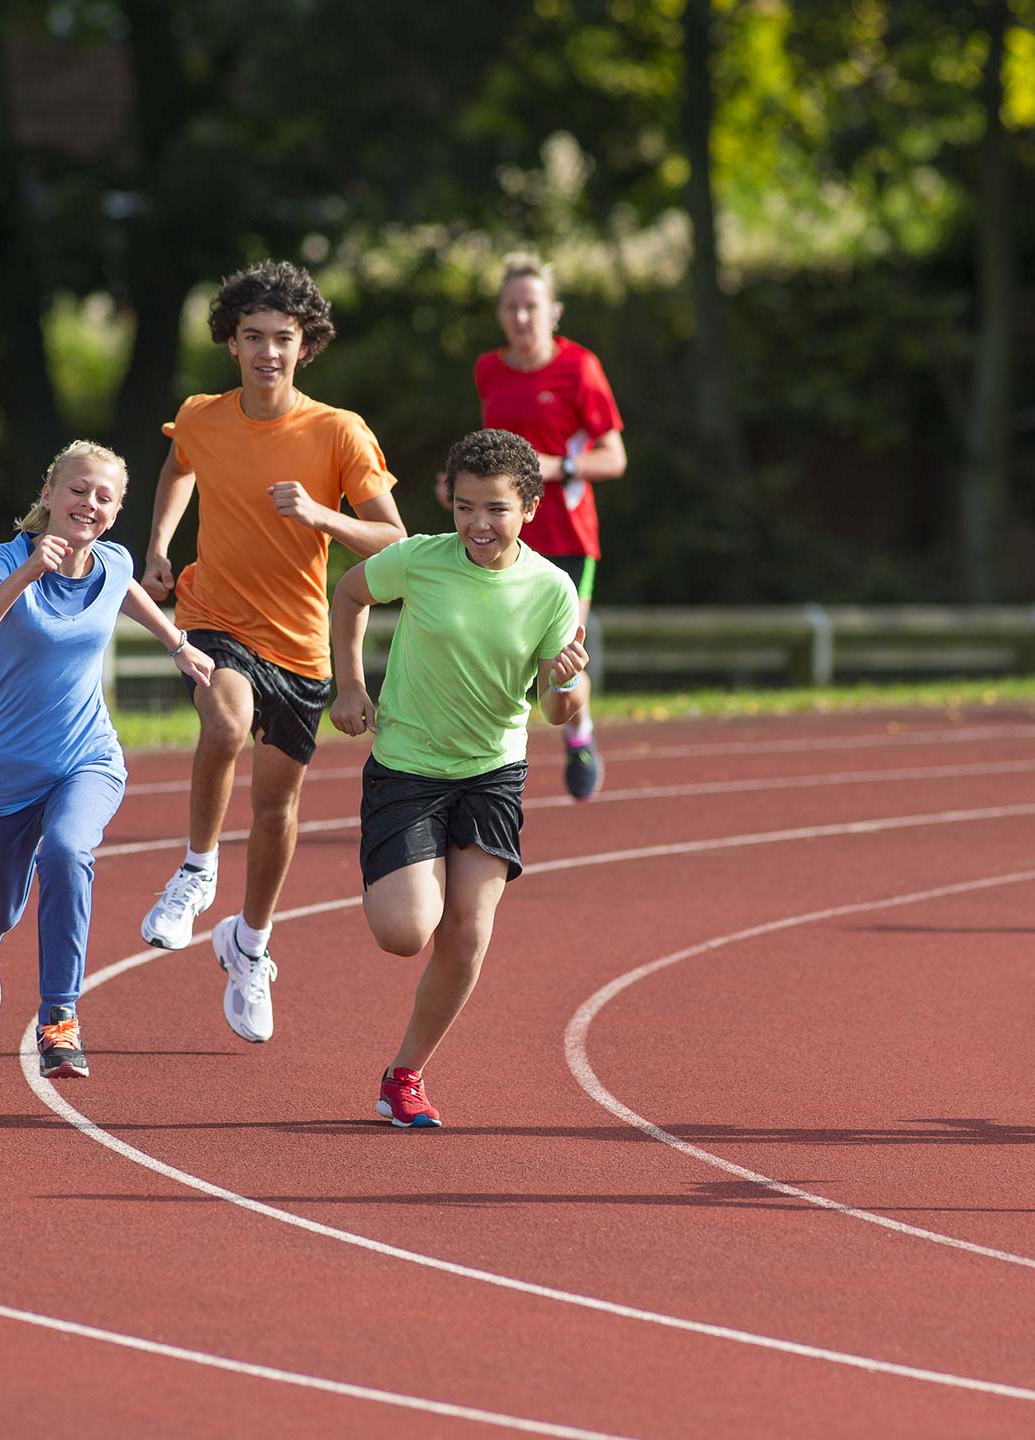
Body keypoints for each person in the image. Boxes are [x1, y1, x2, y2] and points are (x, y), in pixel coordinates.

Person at [137, 260, 406, 1044]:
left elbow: (393, 536)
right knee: (223, 721)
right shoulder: (202, 416)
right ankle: (195, 870)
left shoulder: (337, 431)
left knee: (276, 807)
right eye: (252, 337)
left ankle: (249, 945)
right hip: (217, 616)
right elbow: (176, 465)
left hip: (301, 644)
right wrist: (158, 543)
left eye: (282, 340)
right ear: (232, 343)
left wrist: (324, 514)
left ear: (305, 346)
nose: (266, 353)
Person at [331, 429, 587, 1127]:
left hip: (492, 772)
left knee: (468, 934)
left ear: (528, 509)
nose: (479, 524)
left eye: (497, 509)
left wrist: (567, 686)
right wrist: (349, 684)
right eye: (466, 506)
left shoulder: (551, 589)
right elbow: (349, 596)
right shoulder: (418, 560)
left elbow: (560, 710)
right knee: (406, 931)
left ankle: (404, 1075)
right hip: (408, 767)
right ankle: (412, 875)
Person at [0, 441, 214, 1080]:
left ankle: (59, 1017)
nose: (87, 504)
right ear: (48, 494)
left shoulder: (114, 562)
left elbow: (125, 590)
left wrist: (178, 644)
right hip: (12, 769)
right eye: (77, 490)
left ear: (116, 512)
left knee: (68, 851)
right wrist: (27, 574)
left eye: (104, 497)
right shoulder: (7, 558)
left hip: (88, 757)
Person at [455, 253, 624, 801]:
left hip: (570, 536)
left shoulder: (580, 368)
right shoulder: (489, 371)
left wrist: (557, 467)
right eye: (511, 308)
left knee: (560, 655)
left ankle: (578, 733)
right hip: (505, 534)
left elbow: (614, 457)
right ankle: (489, 769)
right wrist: (463, 489)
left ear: (553, 311)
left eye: (531, 306)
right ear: (501, 314)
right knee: (499, 649)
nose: (522, 318)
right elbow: (489, 456)